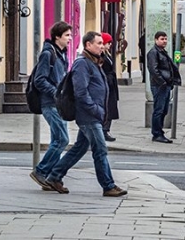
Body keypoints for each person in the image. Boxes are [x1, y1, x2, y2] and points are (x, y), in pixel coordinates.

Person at [45, 31, 127, 197]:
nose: (102, 46)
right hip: (89, 115)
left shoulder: (94, 62)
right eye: (98, 43)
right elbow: (80, 92)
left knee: (79, 148)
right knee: (100, 149)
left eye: (102, 43)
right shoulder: (82, 63)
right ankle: (108, 185)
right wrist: (95, 109)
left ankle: (54, 176)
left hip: (93, 114)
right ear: (88, 45)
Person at [29, 21, 72, 190]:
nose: (70, 38)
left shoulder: (61, 54)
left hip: (59, 103)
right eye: (67, 35)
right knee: (62, 139)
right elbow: (40, 80)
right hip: (50, 103)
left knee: (57, 140)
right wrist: (56, 93)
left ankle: (49, 178)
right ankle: (41, 171)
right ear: (57, 37)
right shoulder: (48, 54)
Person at [146, 31, 181, 144]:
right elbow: (153, 69)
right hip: (159, 85)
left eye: (166, 39)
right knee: (159, 110)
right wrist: (162, 82)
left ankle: (159, 131)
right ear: (156, 40)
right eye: (162, 39)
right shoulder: (153, 52)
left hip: (165, 85)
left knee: (164, 109)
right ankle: (157, 133)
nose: (164, 41)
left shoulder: (162, 52)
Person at [100, 33, 120, 142]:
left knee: (111, 108)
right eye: (108, 42)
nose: (110, 45)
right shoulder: (101, 56)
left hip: (111, 85)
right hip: (107, 84)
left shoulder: (107, 54)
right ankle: (104, 130)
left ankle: (106, 129)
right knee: (107, 108)